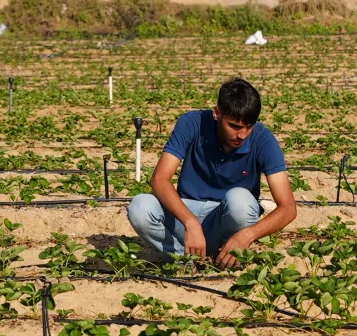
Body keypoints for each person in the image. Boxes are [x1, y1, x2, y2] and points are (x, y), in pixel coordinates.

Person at [126, 77, 295, 267]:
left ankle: (228, 257)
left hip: (227, 221)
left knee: (240, 199)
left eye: (249, 127)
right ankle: (183, 260)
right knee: (140, 207)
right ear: (217, 113)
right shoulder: (192, 123)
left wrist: (248, 235)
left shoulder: (263, 139)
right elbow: (159, 179)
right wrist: (191, 222)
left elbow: (288, 208)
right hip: (185, 215)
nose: (242, 135)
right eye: (234, 126)